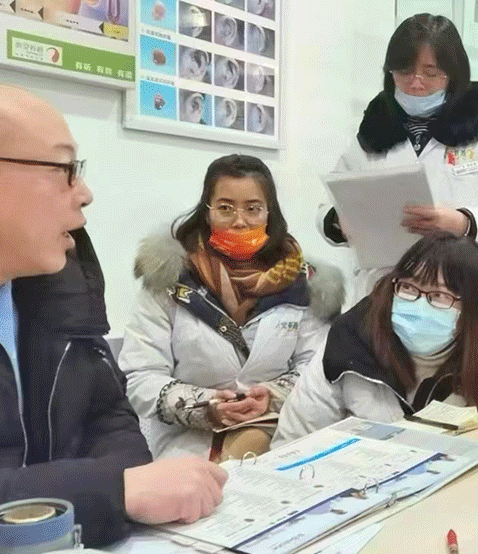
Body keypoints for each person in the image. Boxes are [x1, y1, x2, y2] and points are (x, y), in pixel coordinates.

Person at [0, 79, 227, 552]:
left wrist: (117, 490)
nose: (84, 193)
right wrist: (110, 493)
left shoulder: (59, 290)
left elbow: (112, 425)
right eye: (64, 169)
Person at [120, 154, 343, 460]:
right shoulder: (170, 280)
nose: (240, 221)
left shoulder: (302, 283)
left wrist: (271, 396)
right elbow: (141, 376)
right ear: (207, 212)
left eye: (253, 209)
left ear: (269, 214)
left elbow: (316, 366)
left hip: (282, 433)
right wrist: (206, 406)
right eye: (225, 208)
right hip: (190, 444)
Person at [319, 13, 478, 312]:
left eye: (430, 73)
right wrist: (338, 220)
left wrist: (463, 223)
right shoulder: (374, 129)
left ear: (454, 75)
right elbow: (330, 200)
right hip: (383, 294)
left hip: (460, 296)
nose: (415, 84)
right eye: (404, 71)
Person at [273, 232, 478, 447]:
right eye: (408, 288)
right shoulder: (350, 341)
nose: (419, 304)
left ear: (474, 309)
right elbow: (293, 442)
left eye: (439, 296)